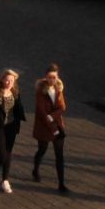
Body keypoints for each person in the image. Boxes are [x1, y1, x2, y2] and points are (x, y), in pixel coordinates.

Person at [0, 69, 26, 193]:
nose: (9, 83)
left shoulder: (16, 93)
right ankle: (2, 177)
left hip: (11, 128)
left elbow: (18, 110)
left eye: (11, 81)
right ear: (2, 80)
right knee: (3, 155)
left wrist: (19, 122)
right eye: (7, 80)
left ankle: (2, 178)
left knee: (8, 153)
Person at [31, 63, 69, 193]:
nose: (52, 79)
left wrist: (52, 116)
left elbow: (62, 107)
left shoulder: (59, 89)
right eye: (49, 77)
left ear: (57, 77)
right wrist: (52, 120)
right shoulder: (41, 91)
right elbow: (42, 112)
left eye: (54, 77)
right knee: (42, 149)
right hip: (44, 127)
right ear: (46, 77)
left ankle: (61, 184)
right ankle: (35, 169)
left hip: (57, 125)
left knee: (59, 155)